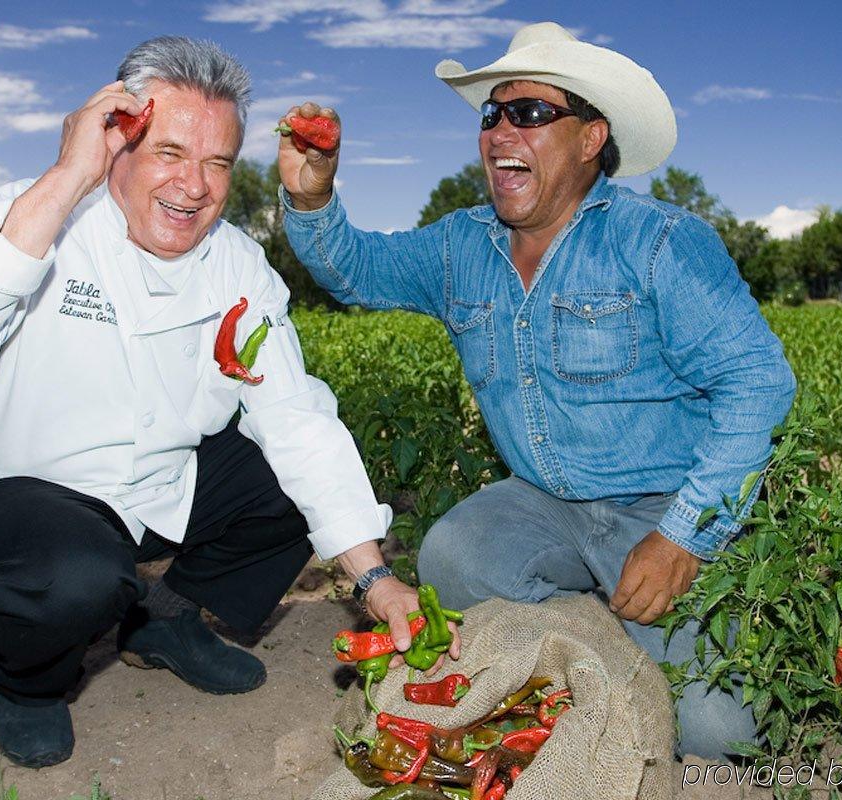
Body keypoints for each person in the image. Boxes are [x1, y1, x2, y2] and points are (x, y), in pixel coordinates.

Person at [0, 36, 445, 769]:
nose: (196, 185)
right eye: (171, 153)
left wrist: (373, 577)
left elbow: (296, 417)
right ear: (115, 143)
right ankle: (30, 686)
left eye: (217, 163)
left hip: (153, 490)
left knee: (296, 477)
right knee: (76, 574)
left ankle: (161, 620)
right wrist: (67, 175)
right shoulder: (24, 214)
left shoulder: (236, 262)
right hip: (15, 500)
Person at [277, 22, 796, 760]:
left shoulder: (659, 242)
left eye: (528, 114)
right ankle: (593, 631)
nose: (497, 131)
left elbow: (758, 384)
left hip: (659, 505)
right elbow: (354, 269)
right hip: (541, 499)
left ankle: (621, 619)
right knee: (454, 554)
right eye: (491, 115)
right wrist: (311, 197)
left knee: (724, 734)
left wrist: (685, 536)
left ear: (590, 139)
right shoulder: (462, 246)